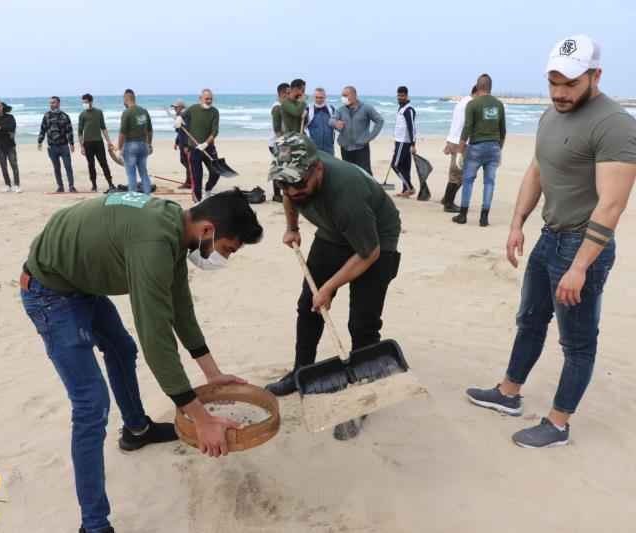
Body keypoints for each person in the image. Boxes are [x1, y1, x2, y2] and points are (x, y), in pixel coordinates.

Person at [21, 189, 264, 533]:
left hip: (80, 283)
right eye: (227, 249)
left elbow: (179, 306)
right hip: (49, 292)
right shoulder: (153, 243)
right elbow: (156, 336)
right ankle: (93, 526)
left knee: (122, 350)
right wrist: (201, 419)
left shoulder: (176, 227)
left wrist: (213, 373)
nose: (225, 257)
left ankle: (137, 430)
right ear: (208, 230)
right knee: (91, 405)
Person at [466, 35, 636, 448]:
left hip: (583, 247)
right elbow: (537, 171)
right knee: (529, 319)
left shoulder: (615, 125)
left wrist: (580, 266)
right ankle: (508, 393)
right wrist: (516, 222)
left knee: (577, 342)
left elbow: (611, 205)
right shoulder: (551, 114)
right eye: (553, 83)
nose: (560, 93)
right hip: (548, 238)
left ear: (595, 75)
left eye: (570, 84)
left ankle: (558, 424)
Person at [264, 133, 402, 441]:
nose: (292, 190)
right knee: (308, 306)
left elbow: (369, 253)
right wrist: (291, 228)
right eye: (286, 183)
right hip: (332, 234)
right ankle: (301, 372)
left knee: (362, 322)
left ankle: (365, 392)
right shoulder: (294, 178)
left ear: (318, 170)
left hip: (375, 240)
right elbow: (289, 192)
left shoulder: (346, 195)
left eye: (299, 184)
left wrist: (328, 286)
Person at [453, 74, 506, 226]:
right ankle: (484, 217)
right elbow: (502, 131)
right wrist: (499, 150)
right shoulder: (499, 105)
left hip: (476, 147)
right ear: (490, 87)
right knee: (489, 182)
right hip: (494, 147)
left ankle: (463, 215)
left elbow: (467, 128)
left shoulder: (473, 104)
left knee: (468, 180)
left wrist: (460, 151)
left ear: (477, 87)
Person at [177, 89, 221, 202]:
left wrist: (206, 143)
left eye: (211, 99)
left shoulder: (214, 112)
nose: (209, 101)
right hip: (194, 149)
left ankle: (208, 189)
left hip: (209, 148)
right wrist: (179, 119)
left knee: (216, 172)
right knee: (197, 177)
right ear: (200, 98)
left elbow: (215, 131)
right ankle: (197, 202)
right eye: (207, 98)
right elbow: (182, 115)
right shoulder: (193, 109)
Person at [330, 86, 384, 175]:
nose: (343, 98)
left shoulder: (366, 108)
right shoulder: (341, 110)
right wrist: (335, 123)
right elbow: (331, 120)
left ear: (354, 95)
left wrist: (369, 137)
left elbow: (380, 121)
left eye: (345, 95)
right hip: (345, 148)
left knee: (365, 174)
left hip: (361, 148)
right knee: (349, 174)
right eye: (342, 96)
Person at [440, 86, 478, 212]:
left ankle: (446, 199)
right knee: (458, 175)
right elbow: (469, 125)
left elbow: (455, 123)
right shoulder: (471, 104)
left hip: (453, 140)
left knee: (455, 173)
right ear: (477, 92)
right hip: (461, 142)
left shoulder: (462, 102)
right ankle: (448, 203)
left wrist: (448, 141)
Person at [118, 89, 153, 194]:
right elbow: (150, 131)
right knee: (144, 173)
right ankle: (147, 196)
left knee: (131, 174)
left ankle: (133, 198)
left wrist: (120, 148)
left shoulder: (127, 112)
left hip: (130, 146)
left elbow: (122, 133)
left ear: (126, 98)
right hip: (143, 145)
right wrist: (149, 144)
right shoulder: (144, 111)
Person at [79, 94, 116, 193]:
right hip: (87, 144)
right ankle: (94, 185)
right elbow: (79, 132)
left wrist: (109, 142)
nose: (84, 104)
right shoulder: (82, 115)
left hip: (99, 142)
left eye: (86, 102)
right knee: (91, 165)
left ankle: (110, 183)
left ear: (91, 102)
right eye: (83, 102)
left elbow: (103, 128)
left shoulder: (99, 112)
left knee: (104, 163)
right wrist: (82, 146)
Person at [38, 96, 76, 193]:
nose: (52, 104)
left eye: (54, 102)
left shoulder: (64, 116)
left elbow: (69, 131)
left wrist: (71, 143)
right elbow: (43, 129)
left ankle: (71, 186)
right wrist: (40, 141)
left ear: (58, 103)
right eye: (50, 103)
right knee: (56, 168)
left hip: (64, 146)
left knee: (68, 166)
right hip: (52, 146)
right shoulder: (46, 116)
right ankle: (60, 187)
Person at [0, 100, 20, 193]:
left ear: (2, 107)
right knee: (3, 166)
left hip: (10, 145)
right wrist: (6, 129)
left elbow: (12, 127)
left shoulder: (10, 117)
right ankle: (8, 185)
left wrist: (0, 128)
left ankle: (17, 185)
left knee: (14, 165)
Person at [391, 86, 417, 197]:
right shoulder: (401, 108)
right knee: (405, 167)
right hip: (399, 141)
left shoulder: (408, 110)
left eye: (402, 96)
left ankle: (410, 187)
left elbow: (412, 127)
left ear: (406, 96)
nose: (400, 97)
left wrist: (413, 144)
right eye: (398, 95)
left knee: (395, 165)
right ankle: (405, 190)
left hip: (404, 142)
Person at [269, 83, 290, 202]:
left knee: (281, 168)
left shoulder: (284, 106)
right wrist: (283, 144)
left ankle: (279, 193)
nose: (289, 95)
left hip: (281, 142)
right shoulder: (277, 107)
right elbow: (277, 129)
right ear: (281, 94)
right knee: (279, 169)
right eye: (287, 93)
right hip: (277, 143)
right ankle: (277, 195)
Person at [306, 88, 336, 155]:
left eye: (321, 97)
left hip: (329, 147)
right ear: (314, 97)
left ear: (325, 97)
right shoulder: (308, 110)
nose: (319, 100)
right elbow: (304, 128)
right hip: (314, 147)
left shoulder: (331, 109)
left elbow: (335, 125)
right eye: (317, 97)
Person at [171, 99, 191, 190]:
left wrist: (187, 145)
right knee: (183, 161)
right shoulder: (178, 116)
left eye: (176, 107)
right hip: (181, 142)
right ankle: (190, 181)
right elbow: (179, 132)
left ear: (181, 107)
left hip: (186, 143)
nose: (174, 109)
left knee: (187, 163)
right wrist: (176, 142)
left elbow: (188, 132)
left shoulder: (186, 116)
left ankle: (189, 182)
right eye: (174, 107)